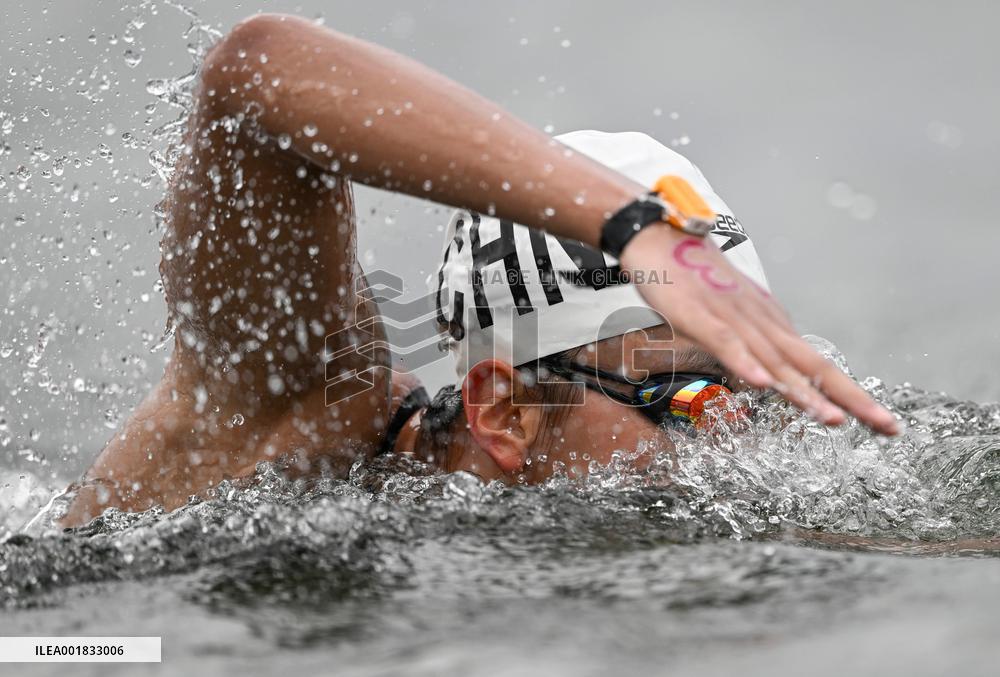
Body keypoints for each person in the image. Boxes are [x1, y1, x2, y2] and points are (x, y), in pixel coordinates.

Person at [61, 14, 898, 526]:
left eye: (755, 392)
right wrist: (631, 229)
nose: (733, 437)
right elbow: (255, 75)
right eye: (691, 395)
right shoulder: (299, 420)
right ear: (505, 409)